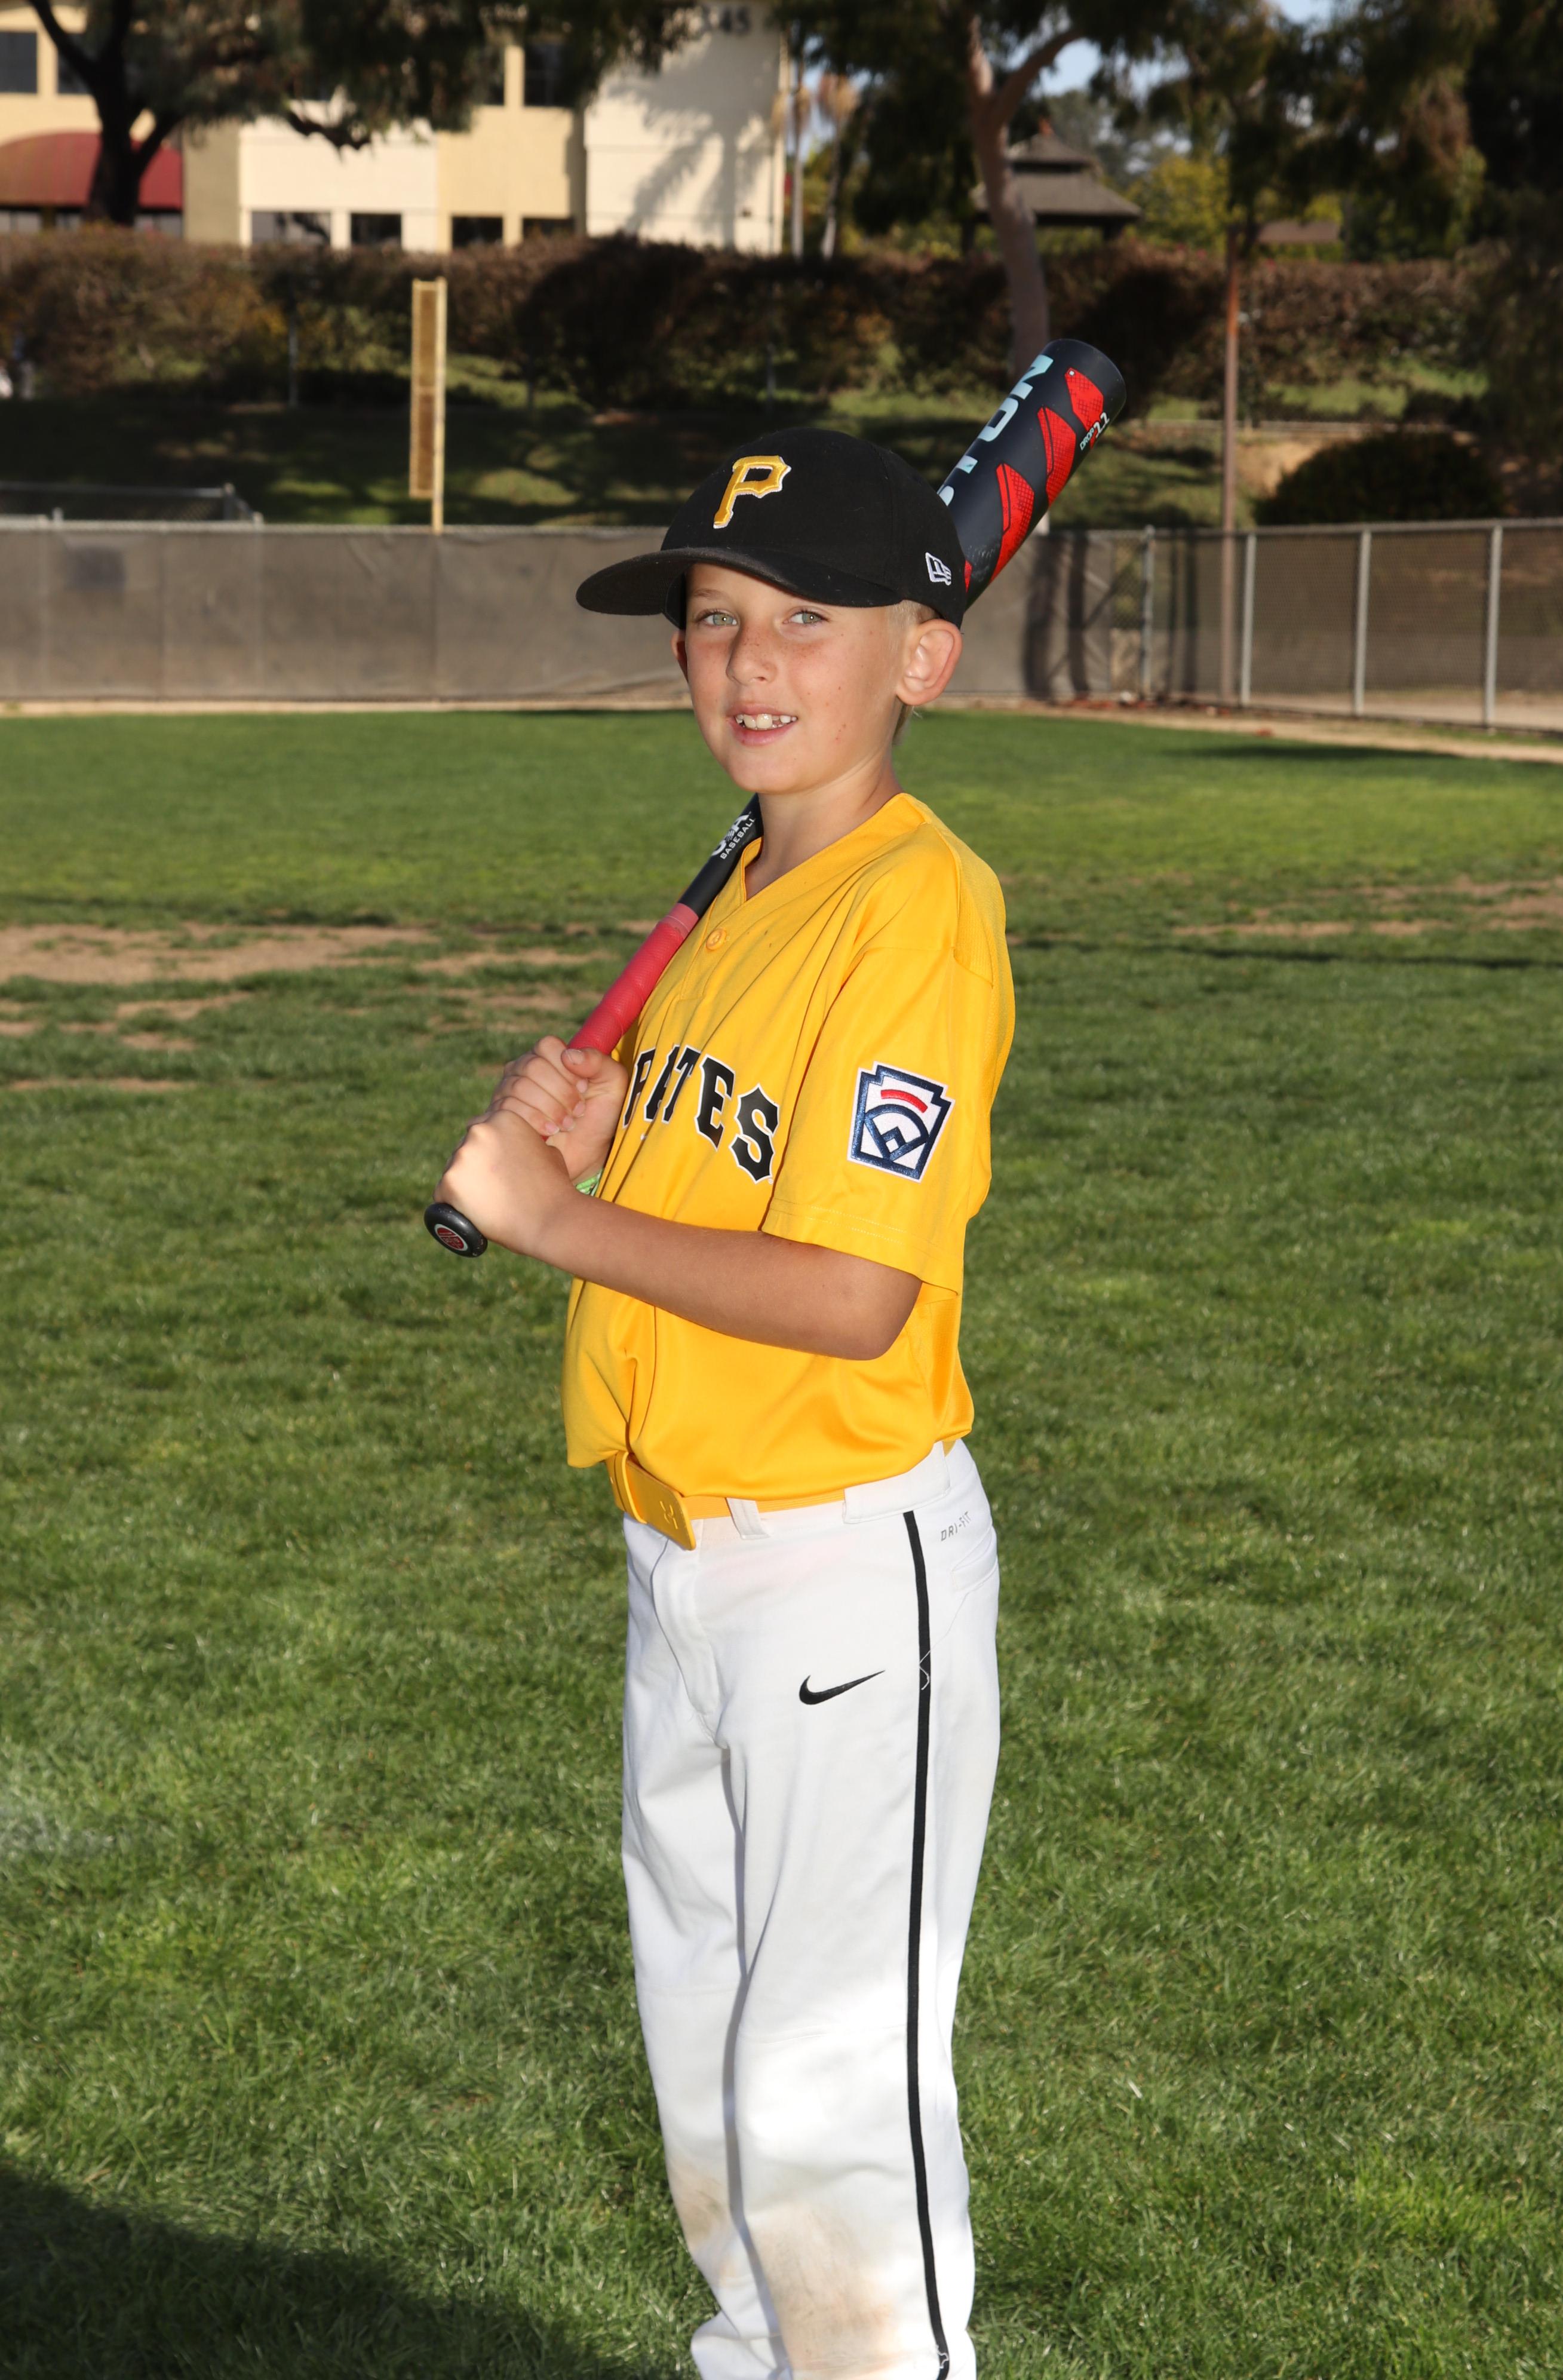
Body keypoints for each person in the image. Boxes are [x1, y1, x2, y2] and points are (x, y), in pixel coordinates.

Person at [435, 429, 1015, 2380]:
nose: (749, 661)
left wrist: (560, 1222)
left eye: (807, 620)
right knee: (712, 2082)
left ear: (921, 660)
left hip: (839, 1572)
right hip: (681, 1554)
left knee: (826, 2099)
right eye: (711, 618)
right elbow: (743, 1185)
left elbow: (855, 1292)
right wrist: (615, 1134)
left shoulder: (916, 910)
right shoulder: (753, 888)